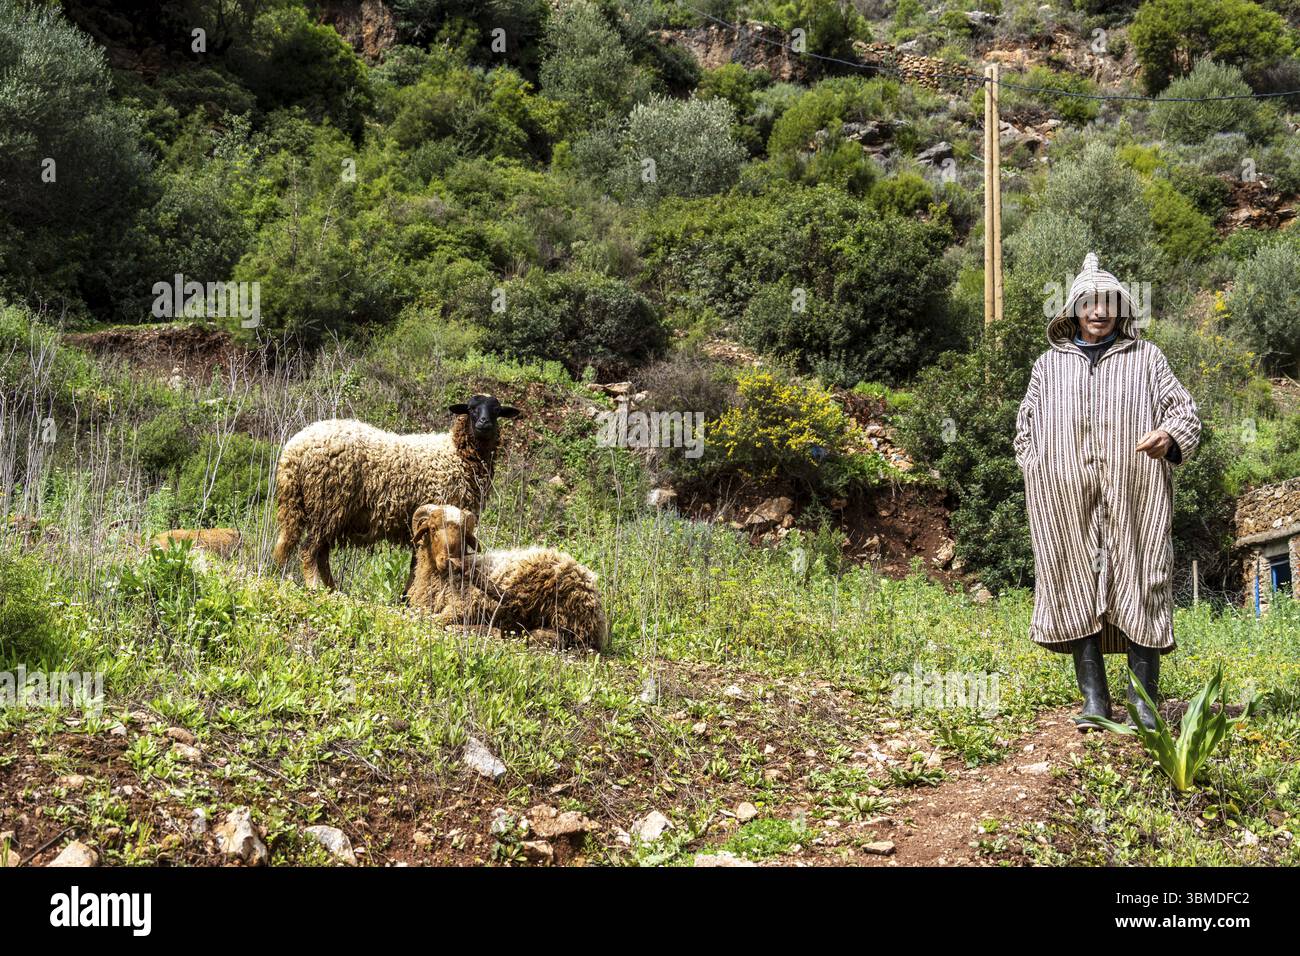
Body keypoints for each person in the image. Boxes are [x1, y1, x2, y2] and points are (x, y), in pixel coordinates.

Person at [1014, 253, 1201, 729]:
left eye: (1110, 304)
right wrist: (1041, 470)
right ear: (1073, 309)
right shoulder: (1048, 366)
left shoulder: (1147, 358)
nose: (1099, 313)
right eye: (1090, 303)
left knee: (1142, 578)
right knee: (1076, 578)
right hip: (1066, 499)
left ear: (1122, 310)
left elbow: (1184, 411)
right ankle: (1094, 700)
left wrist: (1169, 436)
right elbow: (1026, 429)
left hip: (1134, 493)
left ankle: (1144, 703)